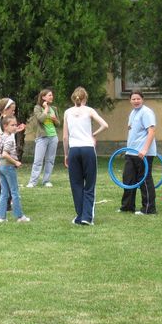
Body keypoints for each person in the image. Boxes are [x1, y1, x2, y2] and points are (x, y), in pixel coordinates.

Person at [63, 87, 108, 225]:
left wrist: (66, 154)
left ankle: (80, 215)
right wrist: (93, 134)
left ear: (73, 98)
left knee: (76, 184)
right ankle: (87, 217)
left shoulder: (67, 112)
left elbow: (65, 137)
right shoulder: (89, 110)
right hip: (88, 149)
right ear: (85, 98)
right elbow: (105, 125)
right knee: (89, 184)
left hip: (74, 150)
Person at [118, 90, 157, 215]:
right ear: (130, 101)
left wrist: (145, 149)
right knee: (128, 179)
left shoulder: (146, 112)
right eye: (133, 99)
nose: (136, 101)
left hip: (143, 153)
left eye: (138, 99)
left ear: (143, 99)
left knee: (144, 180)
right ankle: (127, 206)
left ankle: (149, 209)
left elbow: (151, 131)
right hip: (131, 152)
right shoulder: (133, 113)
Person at [0, 98, 25, 206]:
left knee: (7, 179)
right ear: (5, 110)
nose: (14, 112)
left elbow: (8, 133)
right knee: (0, 180)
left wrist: (17, 129)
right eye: (12, 110)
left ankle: (8, 199)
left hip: (7, 156)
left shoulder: (7, 122)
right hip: (2, 157)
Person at [0, 116, 30, 223]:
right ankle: (20, 216)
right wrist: (16, 162)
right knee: (15, 192)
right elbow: (5, 154)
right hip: (8, 167)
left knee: (4, 193)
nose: (15, 127)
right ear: (5, 126)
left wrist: (17, 130)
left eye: (16, 125)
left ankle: (1, 217)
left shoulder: (2, 136)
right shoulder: (10, 138)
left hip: (0, 166)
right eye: (12, 125)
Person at [26, 89, 60, 188]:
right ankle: (33, 182)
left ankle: (46, 181)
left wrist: (54, 119)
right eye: (49, 95)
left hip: (53, 137)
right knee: (38, 160)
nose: (51, 97)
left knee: (50, 160)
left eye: (52, 95)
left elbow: (58, 124)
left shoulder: (54, 108)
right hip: (42, 137)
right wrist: (45, 108)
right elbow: (41, 119)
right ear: (43, 97)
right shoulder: (37, 108)